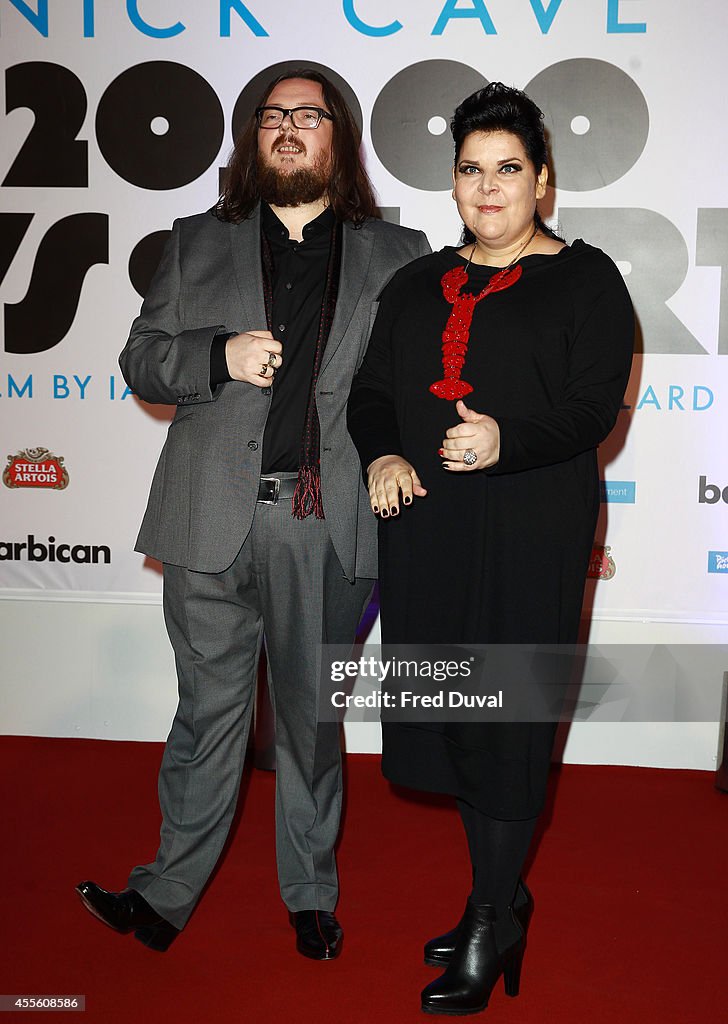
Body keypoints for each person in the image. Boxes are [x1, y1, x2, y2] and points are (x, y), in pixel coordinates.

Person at [76, 69, 429, 959]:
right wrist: (216, 353)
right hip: (207, 520)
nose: (288, 129)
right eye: (273, 116)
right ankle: (162, 895)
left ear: (337, 138)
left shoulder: (400, 253)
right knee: (206, 714)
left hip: (328, 521)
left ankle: (310, 891)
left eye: (308, 116)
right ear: (252, 138)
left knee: (313, 721)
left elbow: (418, 386)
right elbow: (141, 361)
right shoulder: (195, 241)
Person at [347, 82, 633, 1014]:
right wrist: (384, 449)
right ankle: (498, 899)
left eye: (508, 169)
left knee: (507, 725)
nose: (488, 188)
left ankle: (490, 915)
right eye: (471, 171)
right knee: (462, 717)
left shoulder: (588, 280)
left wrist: (508, 436)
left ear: (542, 181)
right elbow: (372, 394)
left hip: (530, 531)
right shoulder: (415, 283)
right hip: (428, 532)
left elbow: (592, 408)